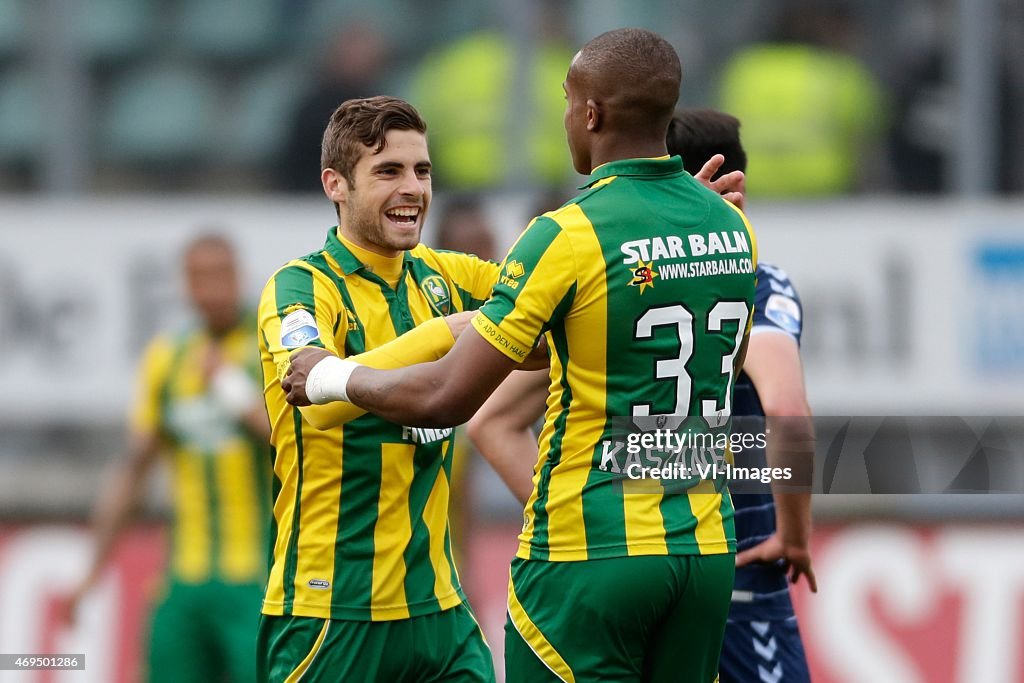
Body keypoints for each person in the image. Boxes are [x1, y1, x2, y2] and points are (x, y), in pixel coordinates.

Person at [285, 29, 757, 683]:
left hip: (588, 554)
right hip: (705, 545)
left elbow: (450, 396)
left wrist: (332, 375)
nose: (564, 117)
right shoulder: (731, 224)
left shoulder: (565, 234)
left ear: (590, 114)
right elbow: (711, 369)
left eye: (567, 101)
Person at [467, 108, 818, 683]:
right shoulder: (757, 280)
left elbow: (491, 422)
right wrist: (795, 535)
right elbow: (785, 409)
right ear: (738, 182)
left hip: (614, 557)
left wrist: (585, 511)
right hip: (728, 564)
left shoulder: (617, 291)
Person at [255, 96, 501, 682]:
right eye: (388, 172)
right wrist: (446, 334)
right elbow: (311, 392)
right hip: (330, 612)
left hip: (441, 613)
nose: (412, 188)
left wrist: (665, 215)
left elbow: (564, 295)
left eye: (421, 171)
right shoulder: (300, 285)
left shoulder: (451, 277)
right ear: (335, 184)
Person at [63, 234, 272, 683]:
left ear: (240, 278)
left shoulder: (268, 349)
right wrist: (92, 571)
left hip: (259, 581)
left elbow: (296, 444)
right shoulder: (167, 358)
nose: (213, 290)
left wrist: (234, 392)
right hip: (183, 580)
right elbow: (134, 468)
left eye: (223, 276)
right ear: (186, 286)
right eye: (201, 278)